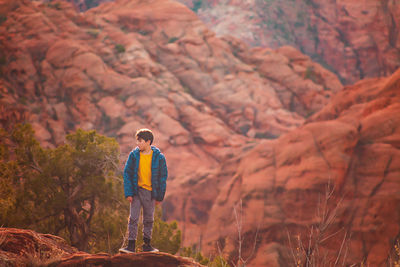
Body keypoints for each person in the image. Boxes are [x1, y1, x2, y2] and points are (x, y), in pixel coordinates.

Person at [119, 129, 168, 253]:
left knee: (148, 219)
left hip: (151, 193)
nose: (137, 143)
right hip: (136, 192)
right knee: (133, 218)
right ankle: (131, 246)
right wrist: (129, 193)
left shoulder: (159, 157)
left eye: (140, 141)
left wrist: (159, 197)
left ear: (148, 141)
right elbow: (127, 173)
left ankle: (147, 245)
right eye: (137, 141)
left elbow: (163, 177)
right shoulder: (134, 155)